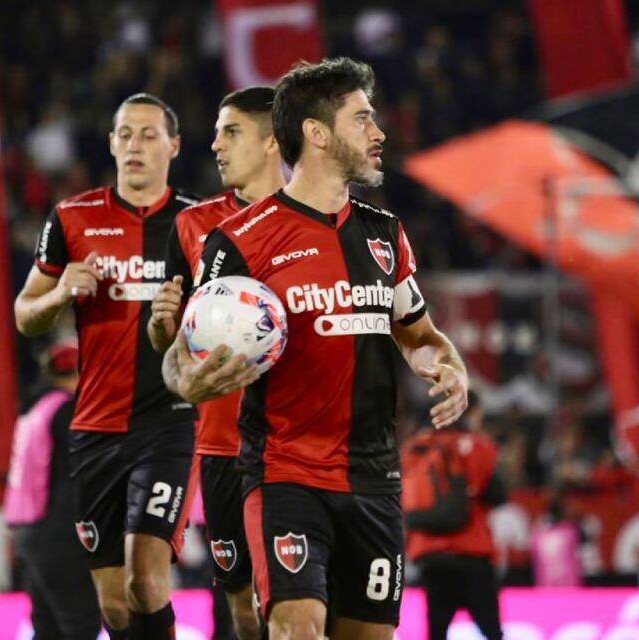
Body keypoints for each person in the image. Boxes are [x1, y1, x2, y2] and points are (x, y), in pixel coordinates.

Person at [170, 58, 470, 640]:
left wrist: (446, 366)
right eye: (363, 119)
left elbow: (418, 333)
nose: (379, 133)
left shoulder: (385, 236)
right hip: (285, 475)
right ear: (317, 132)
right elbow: (183, 352)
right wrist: (187, 380)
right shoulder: (239, 241)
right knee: (295, 628)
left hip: (374, 479)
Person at [14, 93, 200, 640]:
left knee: (147, 579)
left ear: (173, 145)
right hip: (94, 428)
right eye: (125, 134)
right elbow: (26, 314)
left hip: (167, 423)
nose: (135, 145)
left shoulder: (196, 226)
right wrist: (60, 295)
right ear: (111, 143)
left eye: (148, 134)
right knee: (115, 604)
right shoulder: (72, 219)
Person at [149, 86, 286, 640]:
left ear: (273, 140)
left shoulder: (323, 222)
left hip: (298, 449)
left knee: (300, 609)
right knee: (241, 614)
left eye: (230, 131)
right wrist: (163, 327)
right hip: (221, 444)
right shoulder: (190, 226)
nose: (216, 145)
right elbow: (170, 346)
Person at [4, 341, 102, 640]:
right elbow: (85, 467)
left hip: (26, 531)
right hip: (58, 532)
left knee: (47, 627)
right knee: (81, 624)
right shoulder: (65, 410)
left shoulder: (32, 408)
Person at [402, 391, 506, 640]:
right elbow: (498, 494)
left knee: (437, 633)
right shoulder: (479, 446)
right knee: (492, 632)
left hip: (430, 555)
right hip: (472, 553)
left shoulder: (414, 448)